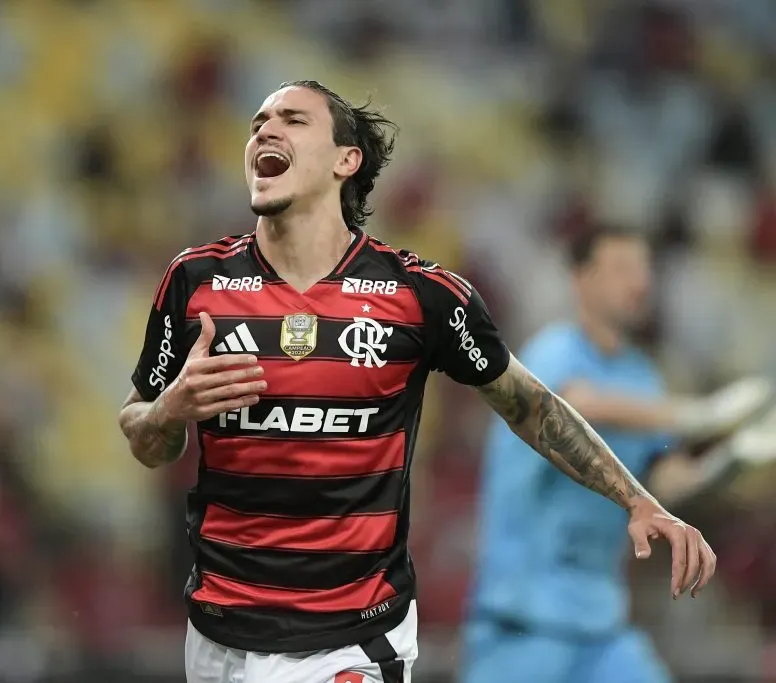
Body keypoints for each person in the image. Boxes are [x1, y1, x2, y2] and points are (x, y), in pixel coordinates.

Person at [118, 81, 717, 683]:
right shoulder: (194, 281)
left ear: (344, 161)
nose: (264, 132)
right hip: (216, 636)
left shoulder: (420, 295)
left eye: (292, 120)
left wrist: (635, 499)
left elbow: (531, 407)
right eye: (258, 122)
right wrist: (170, 410)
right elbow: (144, 436)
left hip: (348, 642)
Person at [461, 226, 774, 683]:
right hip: (520, 633)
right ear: (581, 280)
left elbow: (662, 483)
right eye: (623, 268)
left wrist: (727, 463)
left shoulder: (642, 378)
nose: (640, 282)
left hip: (602, 633)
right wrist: (699, 414)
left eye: (645, 269)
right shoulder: (551, 352)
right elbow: (575, 408)